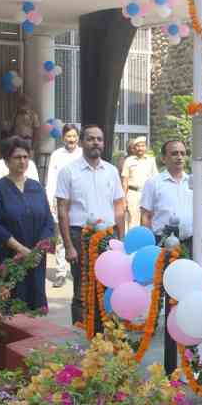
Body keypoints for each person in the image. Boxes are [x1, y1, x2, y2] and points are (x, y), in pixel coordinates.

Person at [56, 125, 126, 325]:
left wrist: (121, 241)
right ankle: (79, 336)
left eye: (99, 139)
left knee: (108, 285)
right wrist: (68, 246)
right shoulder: (68, 171)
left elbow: (119, 207)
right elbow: (62, 209)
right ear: (81, 142)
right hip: (80, 236)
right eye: (91, 138)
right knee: (82, 288)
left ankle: (105, 332)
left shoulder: (111, 171)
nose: (96, 142)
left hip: (107, 236)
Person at [0, 137, 54, 311]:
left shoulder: (37, 187)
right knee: (12, 306)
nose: (22, 161)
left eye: (25, 156)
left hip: (36, 258)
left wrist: (38, 249)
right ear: (7, 161)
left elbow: (48, 221)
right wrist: (22, 250)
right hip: (10, 257)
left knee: (35, 303)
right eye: (17, 157)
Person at [45, 124, 82, 287]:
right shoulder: (56, 155)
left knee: (80, 236)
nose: (71, 139)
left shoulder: (83, 154)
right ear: (63, 138)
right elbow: (51, 179)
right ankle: (61, 272)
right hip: (61, 202)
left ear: (78, 137)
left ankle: (79, 271)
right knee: (61, 237)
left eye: (74, 136)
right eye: (68, 136)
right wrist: (50, 199)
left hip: (80, 202)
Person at [140, 139, 193, 253]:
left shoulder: (192, 182)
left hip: (189, 244)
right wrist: (149, 246)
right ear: (163, 158)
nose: (179, 157)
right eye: (174, 153)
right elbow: (145, 216)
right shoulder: (153, 183)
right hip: (162, 243)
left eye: (182, 153)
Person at [121, 136, 158, 230]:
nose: (140, 148)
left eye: (142, 146)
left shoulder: (151, 161)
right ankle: (132, 243)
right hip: (133, 194)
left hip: (148, 194)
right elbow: (124, 181)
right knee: (133, 222)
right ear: (134, 148)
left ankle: (147, 243)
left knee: (148, 220)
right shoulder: (129, 161)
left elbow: (155, 179)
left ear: (145, 147)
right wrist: (124, 199)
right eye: (138, 146)